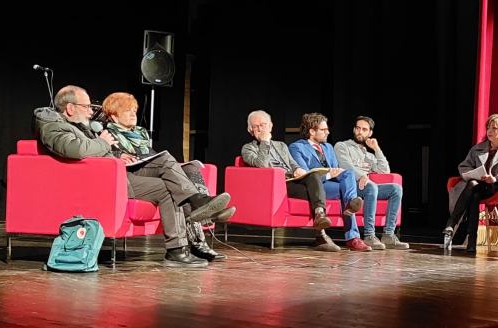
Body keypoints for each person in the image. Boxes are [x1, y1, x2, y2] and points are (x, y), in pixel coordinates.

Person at [36, 85, 230, 268]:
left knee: (165, 160)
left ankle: (194, 210)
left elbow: (94, 151)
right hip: (107, 182)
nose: (90, 111)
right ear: (70, 108)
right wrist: (105, 144)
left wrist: (117, 156)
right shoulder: (53, 127)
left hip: (119, 173)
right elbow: (75, 149)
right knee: (166, 182)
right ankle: (185, 233)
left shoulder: (80, 125)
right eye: (86, 106)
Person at [101, 92, 234, 262]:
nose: (133, 113)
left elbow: (151, 157)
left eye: (134, 110)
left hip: (145, 169)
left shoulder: (140, 134)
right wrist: (118, 155)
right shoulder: (107, 135)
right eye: (127, 110)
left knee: (190, 169)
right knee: (166, 160)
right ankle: (201, 206)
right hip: (128, 175)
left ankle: (198, 234)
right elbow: (102, 157)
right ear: (114, 115)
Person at [241, 110, 341, 251]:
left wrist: (297, 169)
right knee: (315, 192)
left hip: (294, 180)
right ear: (250, 130)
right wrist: (264, 142)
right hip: (277, 184)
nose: (260, 129)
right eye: (255, 126)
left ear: (270, 126)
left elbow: (292, 163)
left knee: (313, 176)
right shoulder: (248, 148)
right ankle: (321, 235)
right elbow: (262, 164)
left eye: (262, 125)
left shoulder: (281, 146)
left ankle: (320, 214)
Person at [288, 113, 371, 252]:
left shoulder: (328, 147)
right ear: (312, 131)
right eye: (323, 130)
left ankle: (351, 204)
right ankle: (352, 238)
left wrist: (337, 173)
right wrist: (327, 175)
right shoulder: (296, 147)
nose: (328, 132)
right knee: (345, 189)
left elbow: (336, 171)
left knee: (348, 173)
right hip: (316, 187)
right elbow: (306, 175)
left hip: (331, 183)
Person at [443, 114, 498, 253]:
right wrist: (471, 173)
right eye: (488, 128)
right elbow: (464, 166)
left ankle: (452, 223)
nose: (489, 131)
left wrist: (496, 178)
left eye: (494, 128)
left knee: (473, 189)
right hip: (476, 186)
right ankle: (471, 243)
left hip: (495, 187)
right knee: (474, 191)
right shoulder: (478, 148)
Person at [334, 116, 409, 250]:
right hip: (351, 186)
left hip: (367, 187)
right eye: (358, 128)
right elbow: (345, 166)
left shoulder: (369, 155)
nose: (360, 132)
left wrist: (377, 149)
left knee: (396, 189)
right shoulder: (342, 146)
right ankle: (369, 235)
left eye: (364, 129)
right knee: (371, 186)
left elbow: (385, 170)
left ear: (370, 133)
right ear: (354, 129)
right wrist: (363, 176)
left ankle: (388, 235)